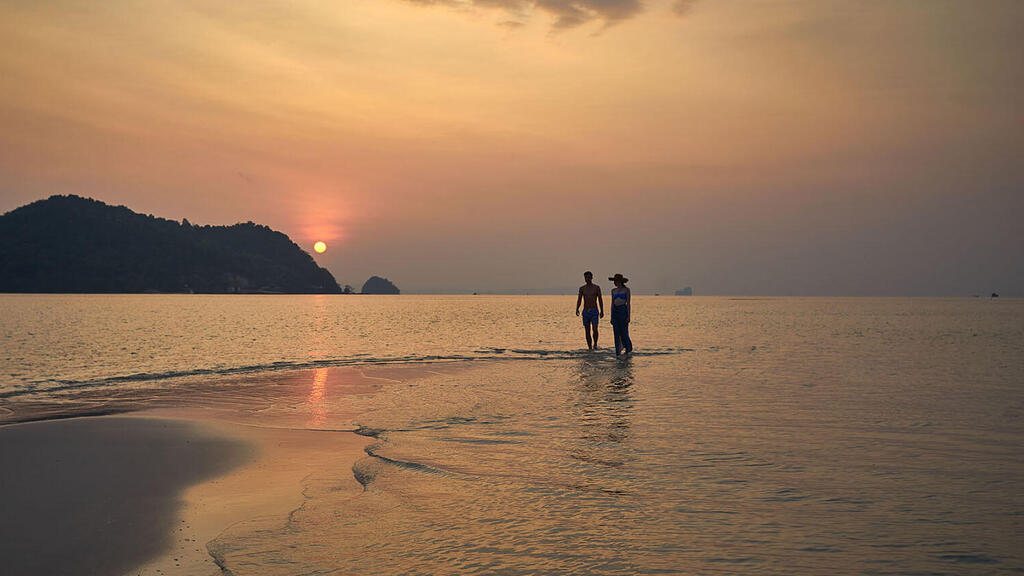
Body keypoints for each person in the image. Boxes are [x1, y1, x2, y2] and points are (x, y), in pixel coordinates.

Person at [575, 271, 604, 349]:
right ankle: (589, 347)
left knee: (595, 329)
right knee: (587, 330)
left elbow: (600, 299)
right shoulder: (582, 288)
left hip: (594, 310)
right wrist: (577, 308)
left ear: (591, 277)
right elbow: (579, 299)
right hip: (586, 311)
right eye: (585, 277)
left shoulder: (596, 288)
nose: (587, 279)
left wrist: (602, 311)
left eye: (588, 277)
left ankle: (595, 344)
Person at [608, 273, 633, 356]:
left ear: (620, 281)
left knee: (624, 332)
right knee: (616, 332)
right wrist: (611, 316)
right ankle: (617, 351)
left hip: (623, 310)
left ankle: (628, 349)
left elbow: (628, 303)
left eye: (616, 281)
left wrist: (629, 316)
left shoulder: (626, 290)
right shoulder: (613, 290)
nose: (614, 282)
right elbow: (612, 304)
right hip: (615, 311)